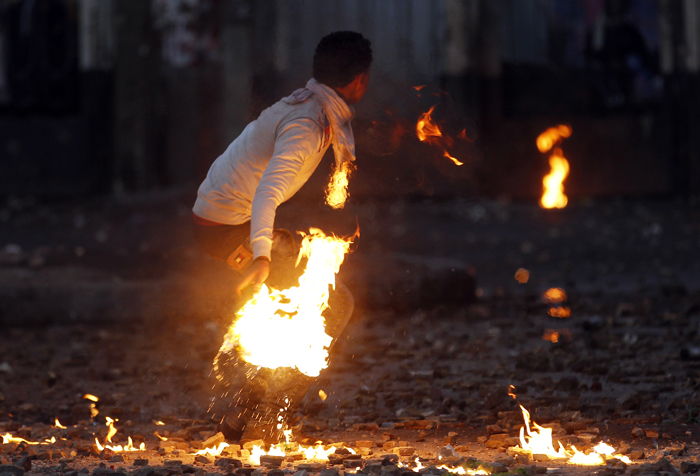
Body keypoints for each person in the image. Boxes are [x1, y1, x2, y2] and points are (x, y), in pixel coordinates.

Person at [192, 31, 372, 443]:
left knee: (314, 293)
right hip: (224, 229)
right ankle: (264, 414)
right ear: (360, 80)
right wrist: (261, 257)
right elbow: (266, 193)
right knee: (336, 303)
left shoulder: (310, 104)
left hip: (221, 217)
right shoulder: (308, 124)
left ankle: (248, 412)